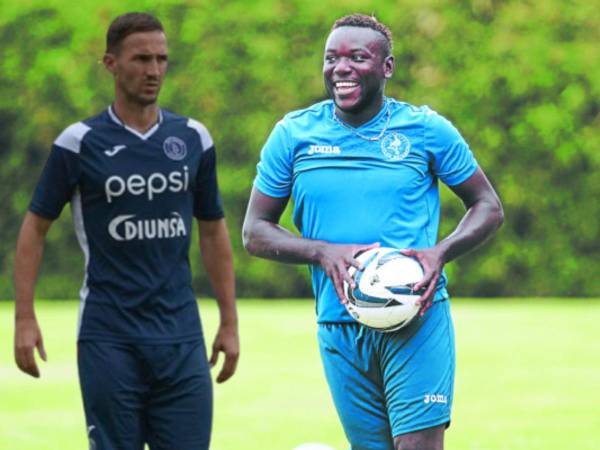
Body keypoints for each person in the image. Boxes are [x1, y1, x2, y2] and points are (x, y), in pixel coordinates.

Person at [243, 13, 503, 450]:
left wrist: (440, 252)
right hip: (339, 323)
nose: (340, 68)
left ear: (387, 67)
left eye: (357, 57)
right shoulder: (294, 135)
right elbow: (255, 231)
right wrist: (322, 252)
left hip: (416, 316)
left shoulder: (425, 129)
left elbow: (488, 206)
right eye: (331, 58)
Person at [13, 12, 239, 450]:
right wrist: (24, 318)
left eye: (161, 59)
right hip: (108, 335)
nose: (153, 70)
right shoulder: (79, 143)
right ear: (110, 63)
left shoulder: (194, 138)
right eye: (140, 59)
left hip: (180, 335)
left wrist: (229, 322)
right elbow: (34, 230)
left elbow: (213, 233)